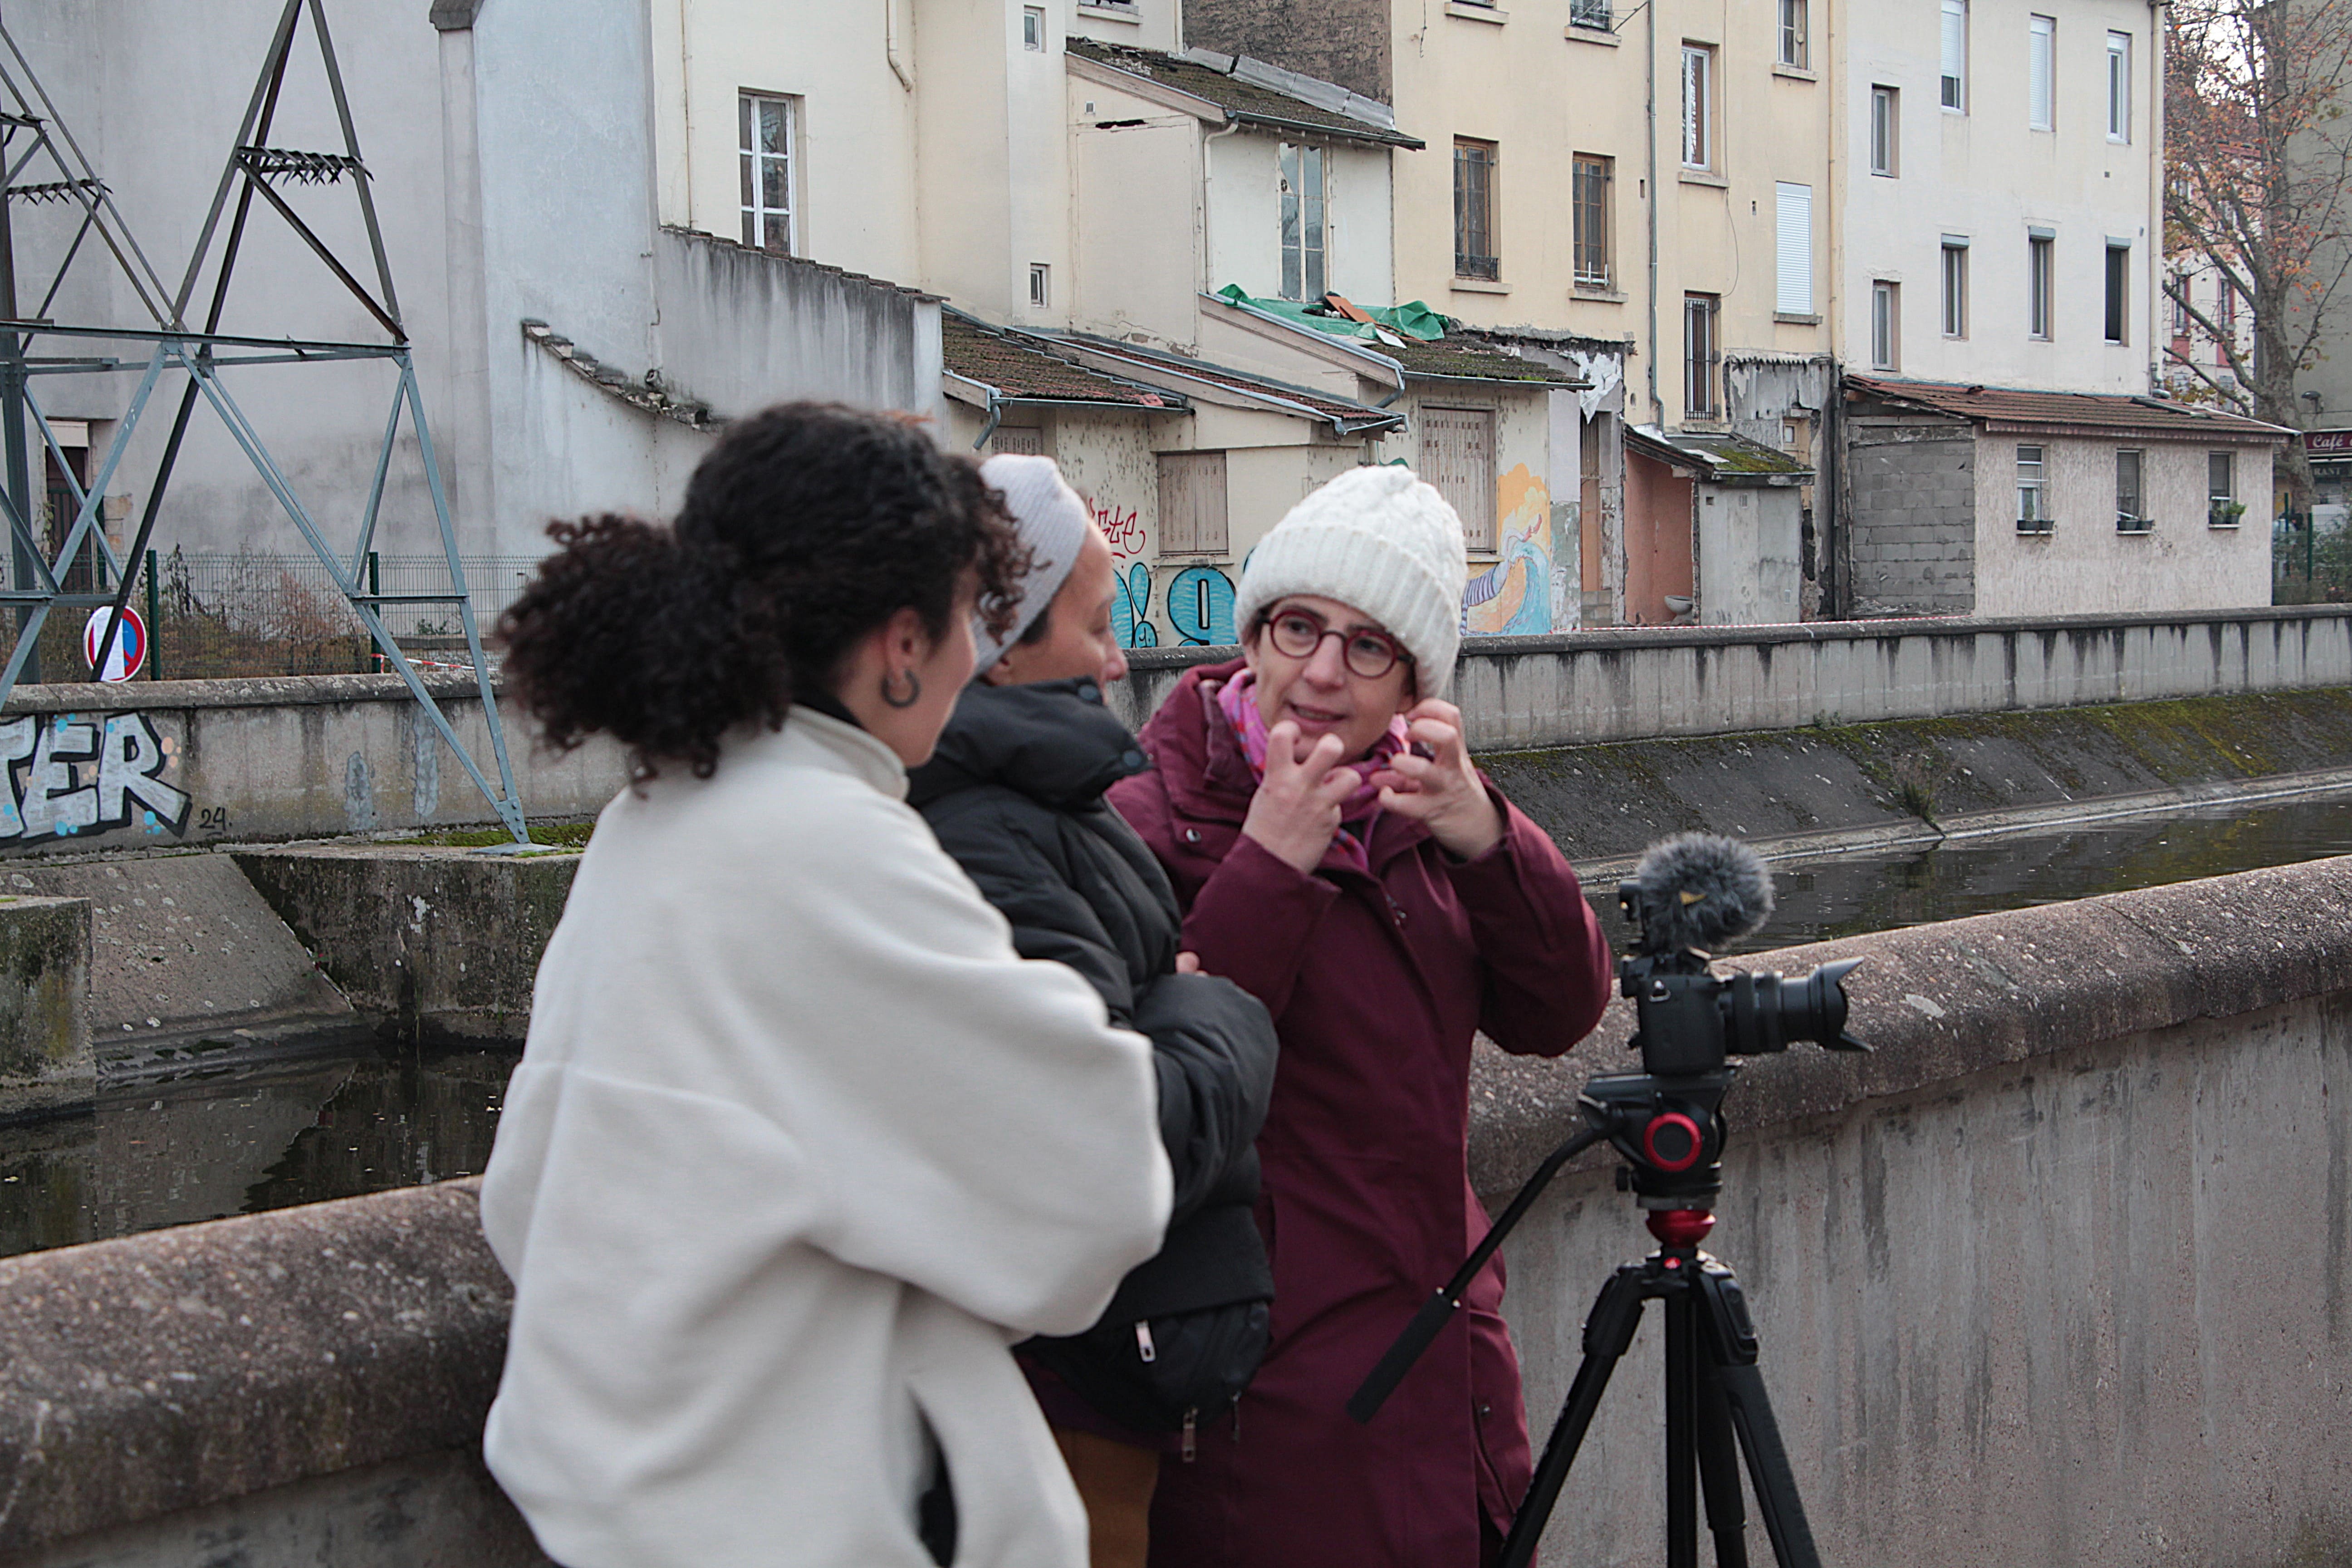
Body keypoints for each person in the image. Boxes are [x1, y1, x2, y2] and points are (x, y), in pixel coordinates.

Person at [478, 404, 1173, 1568]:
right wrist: (1194, 1012)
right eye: (965, 620)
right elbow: (1101, 1187)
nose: (974, 659)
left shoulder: (649, 817)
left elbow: (522, 1196)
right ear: (900, 647)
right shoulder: (827, 844)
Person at [1107, 464, 1615, 1568]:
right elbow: (1150, 1098)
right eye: (1298, 628)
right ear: (1254, 636)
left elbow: (1561, 1010)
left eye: (1368, 646)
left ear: (1416, 684)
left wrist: (1491, 837)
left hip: (1445, 1362)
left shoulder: (1418, 807)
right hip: (1268, 1399)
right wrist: (1269, 867)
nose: (1323, 672)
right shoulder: (1149, 819)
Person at [908, 455, 1280, 1568]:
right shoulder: (983, 830)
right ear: (999, 645)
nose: (1121, 659)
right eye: (1098, 624)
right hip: (1073, 1378)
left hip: (1105, 1366)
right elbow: (1109, 1137)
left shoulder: (1043, 797)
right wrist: (1223, 1015)